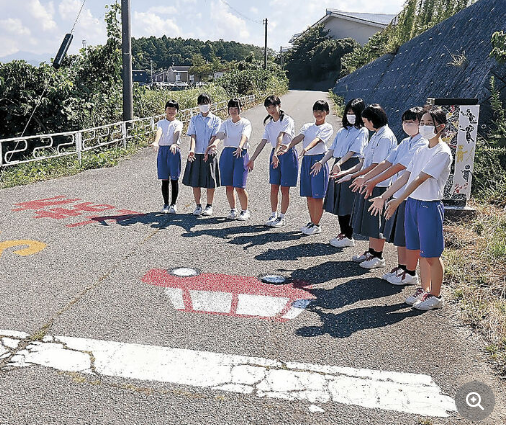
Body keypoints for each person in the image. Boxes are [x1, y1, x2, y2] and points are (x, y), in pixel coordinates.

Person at [369, 107, 452, 310]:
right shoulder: (422, 149)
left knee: (431, 255)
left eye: (428, 123)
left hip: (428, 206)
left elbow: (419, 179)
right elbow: (406, 175)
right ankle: (423, 290)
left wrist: (398, 200)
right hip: (413, 204)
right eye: (421, 122)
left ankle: (436, 296)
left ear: (440, 127)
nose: (423, 126)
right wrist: (385, 195)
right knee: (419, 251)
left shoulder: (442, 152)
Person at [354, 106, 426, 285]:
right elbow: (388, 162)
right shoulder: (405, 142)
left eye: (413, 121)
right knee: (400, 235)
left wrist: (372, 181)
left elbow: (398, 167)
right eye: (405, 121)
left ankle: (410, 271)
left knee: (408, 236)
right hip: (398, 193)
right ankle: (403, 268)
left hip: (411, 196)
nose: (408, 125)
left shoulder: (422, 144)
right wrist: (367, 178)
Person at [337, 104, 397, 268]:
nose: (364, 124)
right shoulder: (377, 134)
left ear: (373, 120)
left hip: (379, 184)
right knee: (370, 220)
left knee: (376, 220)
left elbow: (378, 164)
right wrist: (351, 175)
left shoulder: (385, 137)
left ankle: (378, 255)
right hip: (372, 181)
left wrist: (364, 178)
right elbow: (365, 162)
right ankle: (371, 251)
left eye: (365, 121)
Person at [315, 98, 368, 247]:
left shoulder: (362, 131)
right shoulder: (342, 130)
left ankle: (348, 235)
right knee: (338, 201)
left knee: (347, 202)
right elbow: (332, 149)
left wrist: (339, 164)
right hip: (338, 164)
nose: (350, 115)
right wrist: (322, 162)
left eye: (354, 113)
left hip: (349, 164)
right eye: (348, 112)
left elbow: (353, 151)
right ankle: (343, 233)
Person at [279, 100, 333, 235]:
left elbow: (318, 140)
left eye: (321, 111)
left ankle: (317, 224)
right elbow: (299, 137)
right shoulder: (307, 126)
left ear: (327, 112)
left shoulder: (327, 127)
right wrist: (288, 146)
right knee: (309, 194)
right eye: (316, 111)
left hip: (318, 160)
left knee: (317, 195)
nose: (318, 114)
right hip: (307, 161)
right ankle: (312, 221)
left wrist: (306, 149)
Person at [247, 95, 297, 228]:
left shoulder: (287, 120)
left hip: (286, 153)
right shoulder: (269, 125)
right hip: (275, 154)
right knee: (274, 186)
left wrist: (276, 153)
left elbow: (280, 137)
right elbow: (263, 142)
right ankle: (273, 214)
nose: (271, 110)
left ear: (279, 105)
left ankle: (282, 217)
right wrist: (252, 159)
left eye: (273, 106)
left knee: (284, 188)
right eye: (268, 107)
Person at [209, 98, 252, 220]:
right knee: (228, 185)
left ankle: (245, 211)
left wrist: (240, 145)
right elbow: (220, 135)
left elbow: (245, 135)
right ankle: (233, 210)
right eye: (231, 108)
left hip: (240, 153)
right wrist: (215, 144)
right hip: (227, 154)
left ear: (240, 109)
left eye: (235, 108)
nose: (233, 111)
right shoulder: (225, 124)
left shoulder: (245, 123)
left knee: (240, 186)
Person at [182, 93, 222, 217]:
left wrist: (207, 150)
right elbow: (193, 136)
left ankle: (209, 205)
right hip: (196, 153)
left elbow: (215, 136)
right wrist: (192, 149)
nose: (204, 105)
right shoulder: (194, 119)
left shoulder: (216, 119)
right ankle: (198, 205)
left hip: (210, 153)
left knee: (210, 181)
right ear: (198, 105)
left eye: (206, 103)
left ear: (210, 104)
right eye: (202, 103)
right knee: (195, 181)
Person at [152, 100, 183, 214]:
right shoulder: (161, 122)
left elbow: (177, 132)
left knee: (174, 179)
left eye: (174, 109)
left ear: (177, 111)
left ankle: (173, 204)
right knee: (164, 179)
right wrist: (156, 142)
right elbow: (159, 132)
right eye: (169, 108)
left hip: (173, 150)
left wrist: (174, 143)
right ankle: (165, 203)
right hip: (163, 150)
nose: (171, 111)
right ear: (165, 110)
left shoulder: (178, 123)